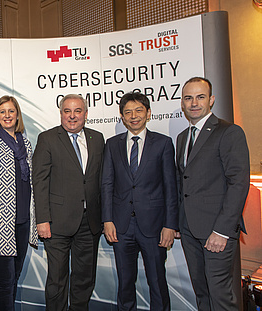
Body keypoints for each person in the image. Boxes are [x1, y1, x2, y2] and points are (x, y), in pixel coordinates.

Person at [176, 77, 250, 310]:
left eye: (200, 97)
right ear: (183, 103)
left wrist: (222, 231)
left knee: (221, 297)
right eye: (188, 98)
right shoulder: (182, 137)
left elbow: (238, 183)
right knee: (202, 293)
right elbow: (184, 183)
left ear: (212, 100)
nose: (194, 103)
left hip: (216, 231)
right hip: (189, 229)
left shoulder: (229, 132)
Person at [101, 92, 178, 310]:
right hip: (121, 226)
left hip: (154, 226)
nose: (133, 116)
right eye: (128, 112)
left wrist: (170, 225)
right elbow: (107, 184)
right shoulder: (112, 144)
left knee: (157, 281)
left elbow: (171, 188)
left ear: (148, 113)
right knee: (125, 283)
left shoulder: (163, 143)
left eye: (138, 111)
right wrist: (107, 220)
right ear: (122, 117)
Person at [32, 94, 104, 311]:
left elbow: (102, 180)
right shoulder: (48, 138)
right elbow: (40, 181)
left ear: (86, 113)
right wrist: (42, 219)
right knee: (57, 280)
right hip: (57, 223)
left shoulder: (97, 138)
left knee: (84, 279)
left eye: (78, 111)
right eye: (67, 111)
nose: (72, 116)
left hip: (89, 222)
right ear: (61, 113)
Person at [0, 95, 38, 310]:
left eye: (11, 111)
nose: (7, 115)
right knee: (4, 282)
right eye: (2, 112)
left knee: (14, 278)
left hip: (22, 223)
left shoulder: (26, 144)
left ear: (17, 114)